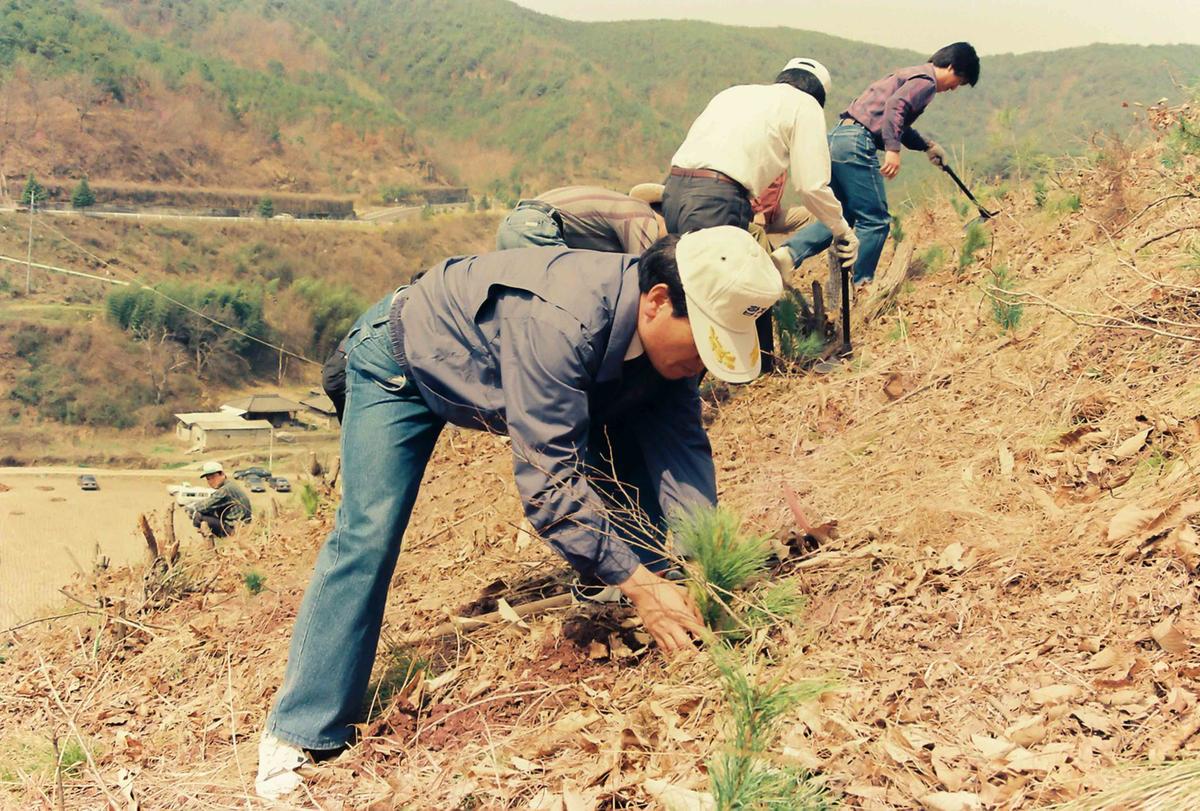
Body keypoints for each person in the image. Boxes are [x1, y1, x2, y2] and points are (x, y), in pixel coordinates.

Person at [255, 227, 783, 799]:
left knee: (644, 422)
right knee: (368, 533)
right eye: (702, 343)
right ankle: (301, 729)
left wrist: (704, 564)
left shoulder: (663, 346)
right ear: (656, 301)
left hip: (506, 372)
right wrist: (641, 585)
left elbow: (680, 454)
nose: (704, 364)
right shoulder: (560, 320)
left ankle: (617, 584)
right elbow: (548, 482)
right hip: (403, 364)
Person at [662, 57, 857, 370]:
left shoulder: (734, 93)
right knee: (731, 293)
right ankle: (751, 374)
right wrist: (842, 230)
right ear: (818, 96)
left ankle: (753, 370)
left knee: (689, 288)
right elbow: (812, 186)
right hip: (719, 198)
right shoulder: (805, 107)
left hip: (674, 191)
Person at [773, 42, 981, 286]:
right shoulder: (927, 82)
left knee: (840, 217)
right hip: (855, 143)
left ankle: (788, 254)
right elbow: (896, 108)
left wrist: (927, 146)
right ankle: (860, 285)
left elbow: (895, 121)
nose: (955, 88)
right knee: (875, 220)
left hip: (836, 139)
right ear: (952, 67)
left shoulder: (908, 74)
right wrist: (893, 150)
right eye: (960, 81)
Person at [495, 185, 666, 254]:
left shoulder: (617, 208)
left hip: (512, 223)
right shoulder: (642, 214)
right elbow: (642, 274)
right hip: (535, 226)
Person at [185, 461, 252, 538]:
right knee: (208, 512)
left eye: (213, 477)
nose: (211, 481)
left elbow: (203, 506)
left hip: (235, 530)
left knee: (198, 516)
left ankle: (211, 537)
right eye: (208, 479)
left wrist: (190, 509)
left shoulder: (225, 490)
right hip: (241, 527)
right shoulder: (230, 485)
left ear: (222, 474)